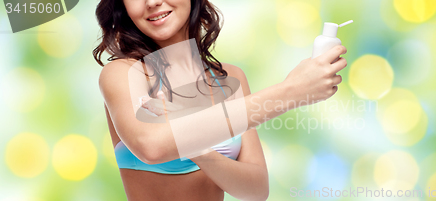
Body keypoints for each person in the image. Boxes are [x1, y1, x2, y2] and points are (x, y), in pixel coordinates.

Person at [93, 0, 347, 200]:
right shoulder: (124, 74)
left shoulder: (231, 78)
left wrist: (200, 150)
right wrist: (288, 93)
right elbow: (150, 146)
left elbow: (257, 190)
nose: (152, 2)